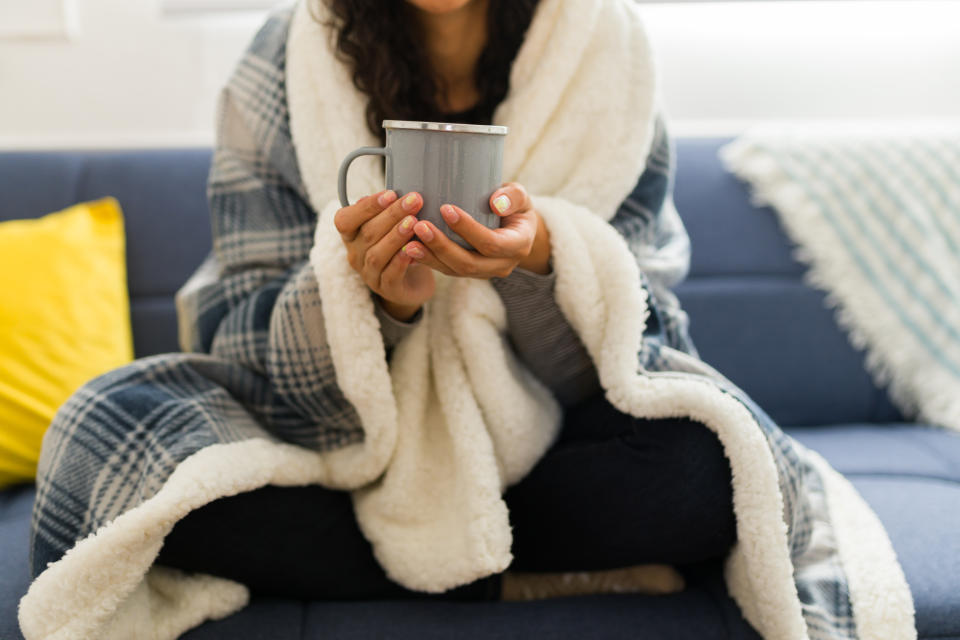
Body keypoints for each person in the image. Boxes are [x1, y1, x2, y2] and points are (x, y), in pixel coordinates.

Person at [29, 0, 737, 607]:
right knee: (106, 437)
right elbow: (237, 329)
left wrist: (542, 258)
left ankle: (449, 561)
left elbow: (633, 352)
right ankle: (518, 574)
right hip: (351, 449)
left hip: (549, 445)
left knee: (707, 466)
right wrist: (367, 302)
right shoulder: (282, 61)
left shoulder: (604, 49)